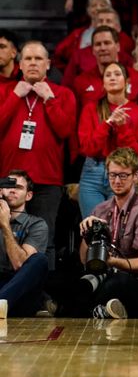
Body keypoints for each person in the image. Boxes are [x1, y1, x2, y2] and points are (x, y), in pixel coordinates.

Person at [0, 42, 77, 270]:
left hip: (47, 178)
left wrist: (49, 100)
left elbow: (65, 131)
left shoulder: (63, 94)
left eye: (39, 59)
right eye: (29, 59)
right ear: (20, 63)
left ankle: (44, 295)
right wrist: (15, 96)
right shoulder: (5, 91)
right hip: (9, 178)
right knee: (6, 234)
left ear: (48, 64)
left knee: (45, 237)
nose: (33, 63)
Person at [78, 148, 138, 319]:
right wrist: (87, 237)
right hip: (107, 275)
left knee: (117, 283)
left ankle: (98, 311)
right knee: (79, 283)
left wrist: (112, 262)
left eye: (123, 175)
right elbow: (84, 260)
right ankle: (100, 312)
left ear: (135, 176)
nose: (117, 181)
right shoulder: (100, 210)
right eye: (112, 175)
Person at [78, 62, 138, 218]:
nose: (112, 78)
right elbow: (87, 148)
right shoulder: (91, 109)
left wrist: (123, 128)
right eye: (108, 75)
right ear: (102, 82)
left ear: (127, 81)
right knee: (92, 229)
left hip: (123, 172)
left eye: (117, 74)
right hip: (93, 173)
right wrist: (107, 124)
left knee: (117, 229)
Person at [0, 170, 49, 318]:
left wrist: (5, 225)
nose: (13, 190)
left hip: (21, 291)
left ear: (29, 195)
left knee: (40, 260)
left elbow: (19, 264)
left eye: (19, 187)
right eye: (8, 186)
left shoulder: (37, 224)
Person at [72, 26, 138, 109]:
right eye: (98, 44)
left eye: (107, 43)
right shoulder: (81, 82)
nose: (102, 48)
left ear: (117, 46)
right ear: (93, 50)